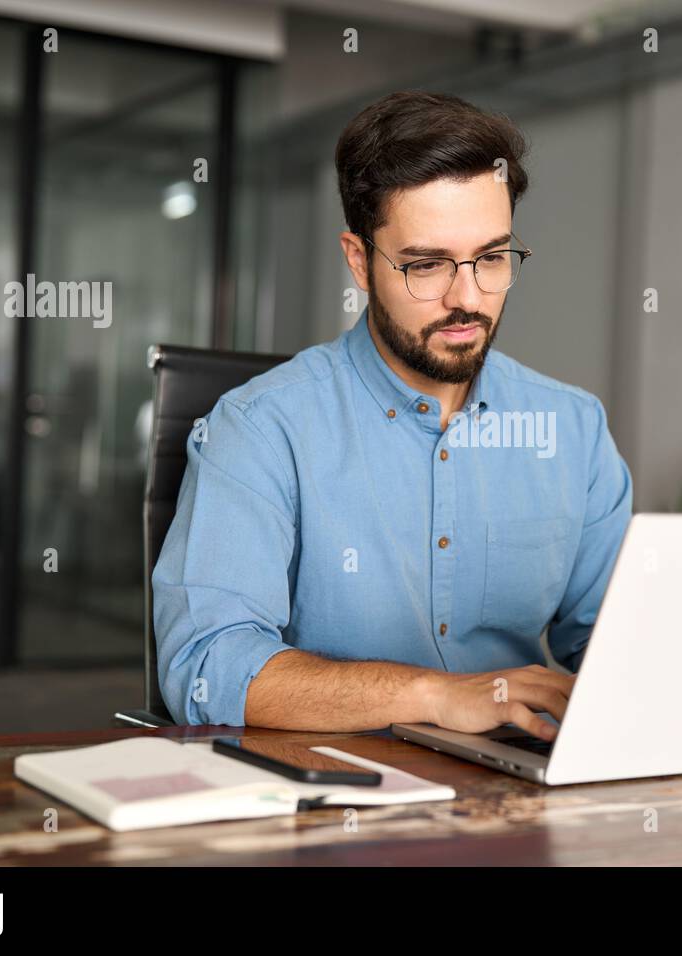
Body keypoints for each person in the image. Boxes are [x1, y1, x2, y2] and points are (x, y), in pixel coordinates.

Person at [153, 90, 632, 738]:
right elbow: (207, 668)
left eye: (491, 258)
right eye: (426, 265)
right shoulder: (262, 429)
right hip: (330, 800)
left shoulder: (572, 430)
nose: (468, 299)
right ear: (359, 260)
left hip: (516, 797)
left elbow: (618, 650)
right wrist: (437, 696)